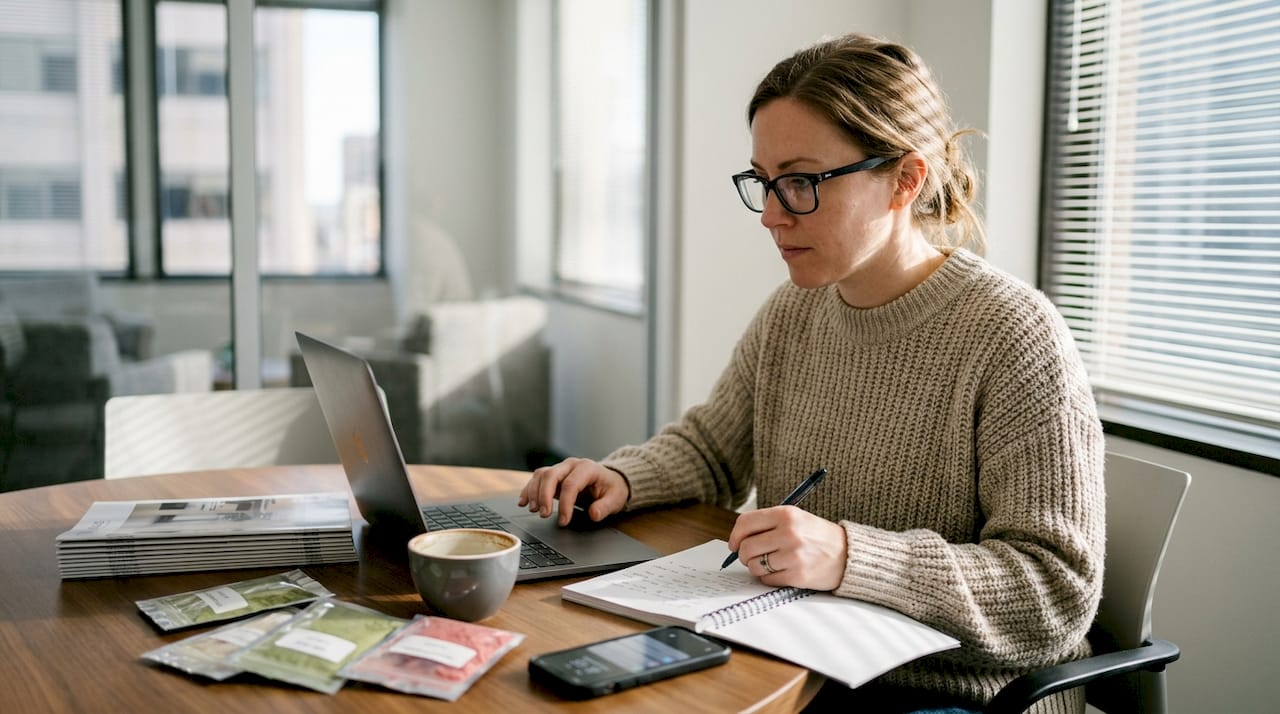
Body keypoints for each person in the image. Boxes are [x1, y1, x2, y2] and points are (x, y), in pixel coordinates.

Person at [519, 32, 1104, 714]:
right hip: (802, 663)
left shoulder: (1012, 334)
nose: (771, 215)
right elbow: (711, 451)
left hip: (954, 695)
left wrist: (850, 557)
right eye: (765, 182)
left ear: (905, 179)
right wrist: (622, 478)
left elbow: (1055, 591)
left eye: (800, 182)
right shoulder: (795, 311)